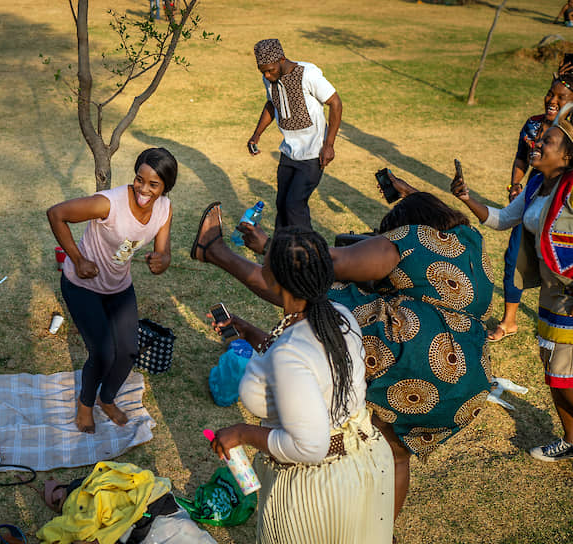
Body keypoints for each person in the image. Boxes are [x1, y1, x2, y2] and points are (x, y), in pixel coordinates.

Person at [190, 183, 493, 519]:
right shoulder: (470, 242)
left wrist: (270, 246)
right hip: (468, 382)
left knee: (317, 294)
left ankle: (214, 251)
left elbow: (326, 263)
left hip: (418, 357)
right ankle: (379, 534)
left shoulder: (411, 238)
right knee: (396, 457)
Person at [209, 227, 393, 544]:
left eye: (264, 261)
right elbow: (306, 363)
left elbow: (310, 446)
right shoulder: (338, 314)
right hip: (366, 459)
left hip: (318, 487)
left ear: (276, 280)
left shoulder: (291, 352)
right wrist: (248, 331)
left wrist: (241, 433)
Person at [451, 109, 573, 462]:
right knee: (553, 375)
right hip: (552, 294)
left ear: (567, 155)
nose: (536, 143)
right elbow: (503, 219)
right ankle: (569, 438)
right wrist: (466, 198)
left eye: (547, 141)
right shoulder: (537, 184)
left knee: (565, 378)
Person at [47, 148, 176, 433]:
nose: (143, 189)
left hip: (118, 286)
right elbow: (56, 214)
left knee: (128, 350)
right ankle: (85, 405)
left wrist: (163, 260)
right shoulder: (109, 204)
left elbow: (163, 251)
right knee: (103, 352)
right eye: (139, 179)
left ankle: (106, 399)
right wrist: (78, 259)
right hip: (83, 285)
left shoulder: (164, 208)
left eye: (153, 184)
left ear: (166, 187)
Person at [490, 73, 573, 342]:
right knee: (514, 258)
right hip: (531, 199)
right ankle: (509, 320)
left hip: (558, 208)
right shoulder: (533, 126)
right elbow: (519, 157)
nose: (553, 100)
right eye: (551, 93)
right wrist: (515, 185)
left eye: (562, 97)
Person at [247, 38, 342, 232]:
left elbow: (336, 103)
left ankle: (308, 255)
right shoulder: (269, 78)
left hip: (313, 155)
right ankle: (281, 255)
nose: (266, 75)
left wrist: (329, 144)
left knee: (294, 206)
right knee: (282, 205)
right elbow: (271, 103)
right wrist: (256, 135)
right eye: (262, 71)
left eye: (269, 70)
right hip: (288, 153)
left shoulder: (308, 74)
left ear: (281, 59)